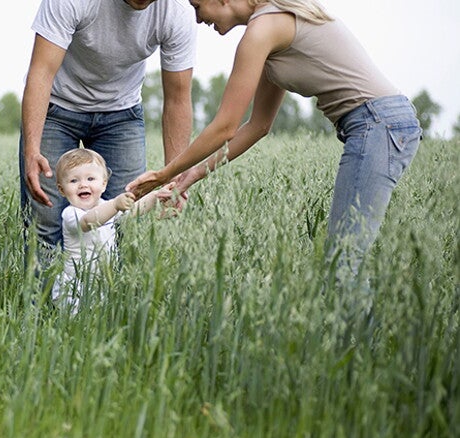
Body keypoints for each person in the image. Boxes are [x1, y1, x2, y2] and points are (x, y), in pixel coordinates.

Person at [127, 0, 422, 281]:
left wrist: (164, 174)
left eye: (197, 6)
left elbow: (224, 127)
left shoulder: (263, 29)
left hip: (377, 124)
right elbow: (257, 126)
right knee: (343, 257)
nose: (197, 18)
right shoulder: (268, 33)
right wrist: (188, 177)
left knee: (343, 259)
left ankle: (360, 333)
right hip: (377, 125)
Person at [20, 0, 197, 267]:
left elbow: (178, 98)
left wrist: (175, 177)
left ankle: (110, 306)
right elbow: (41, 72)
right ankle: (42, 307)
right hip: (57, 108)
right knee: (46, 226)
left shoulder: (176, 13)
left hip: (121, 116)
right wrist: (32, 149)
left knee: (125, 225)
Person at [51, 148, 173, 309]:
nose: (83, 184)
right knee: (76, 325)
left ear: (103, 184)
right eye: (74, 181)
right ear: (62, 190)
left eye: (90, 178)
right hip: (75, 286)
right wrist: (115, 204)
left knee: (100, 321)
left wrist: (156, 196)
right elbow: (90, 221)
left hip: (102, 283)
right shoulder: (71, 214)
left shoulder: (105, 206)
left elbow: (134, 210)